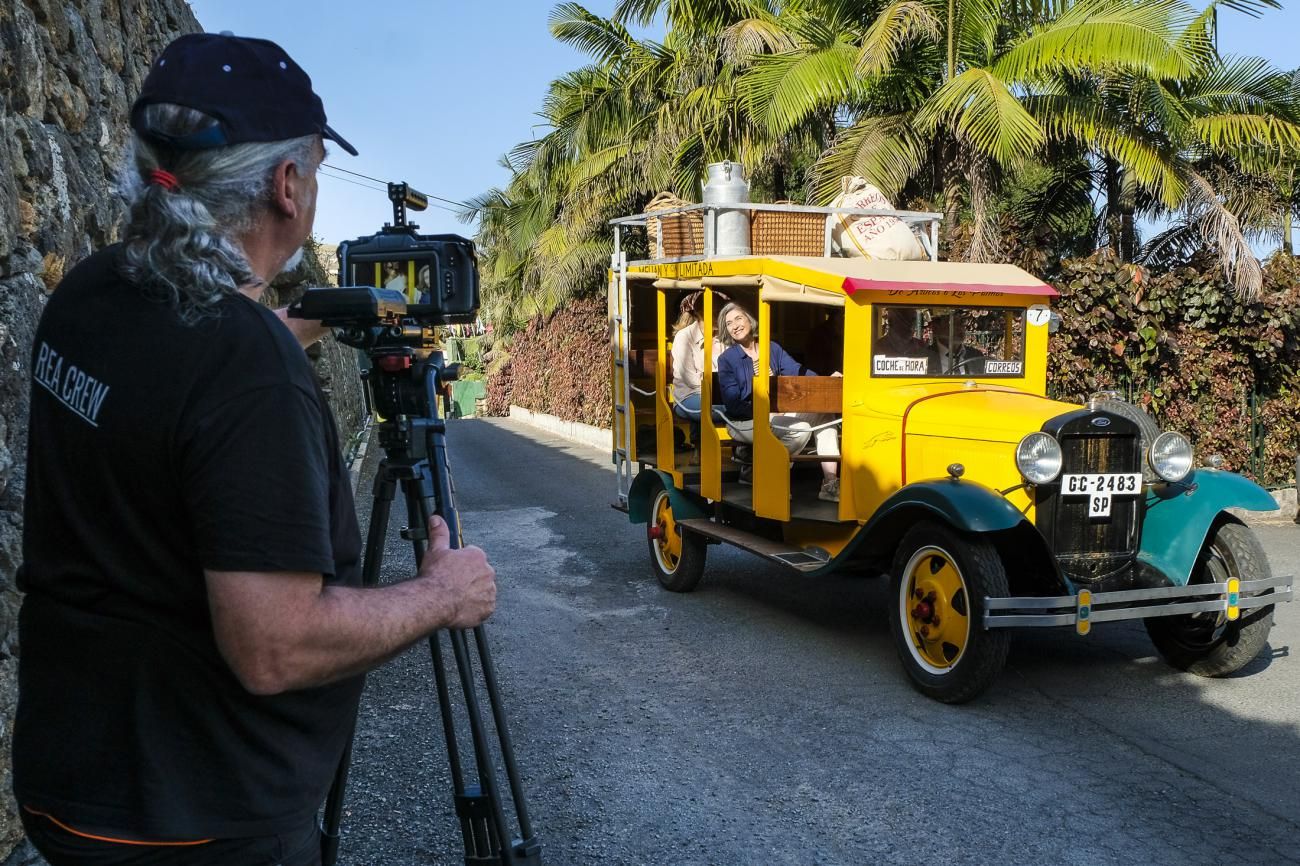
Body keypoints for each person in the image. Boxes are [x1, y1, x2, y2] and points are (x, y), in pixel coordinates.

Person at [13, 33, 496, 866]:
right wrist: (441, 596)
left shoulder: (91, 292)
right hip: (200, 821)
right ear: (286, 185)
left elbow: (174, 383)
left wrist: (297, 323)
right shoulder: (244, 368)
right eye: (311, 165)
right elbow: (274, 646)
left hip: (72, 788)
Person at [715, 302, 841, 502]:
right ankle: (768, 476)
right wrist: (765, 412)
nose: (735, 326)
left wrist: (824, 381)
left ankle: (829, 484)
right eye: (729, 323)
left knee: (823, 413)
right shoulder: (727, 359)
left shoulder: (771, 348)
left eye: (738, 318)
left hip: (776, 415)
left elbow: (797, 370)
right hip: (744, 420)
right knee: (799, 428)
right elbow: (733, 404)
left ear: (749, 319)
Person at [670, 290, 724, 424]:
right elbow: (690, 379)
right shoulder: (684, 337)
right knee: (728, 410)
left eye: (722, 312)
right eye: (715, 312)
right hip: (688, 397)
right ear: (700, 313)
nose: (720, 316)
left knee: (740, 407)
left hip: (718, 395)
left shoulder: (723, 337)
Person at [927, 309, 986, 374]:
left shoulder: (976, 356)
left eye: (962, 322)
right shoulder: (925, 357)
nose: (960, 328)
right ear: (936, 328)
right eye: (952, 323)